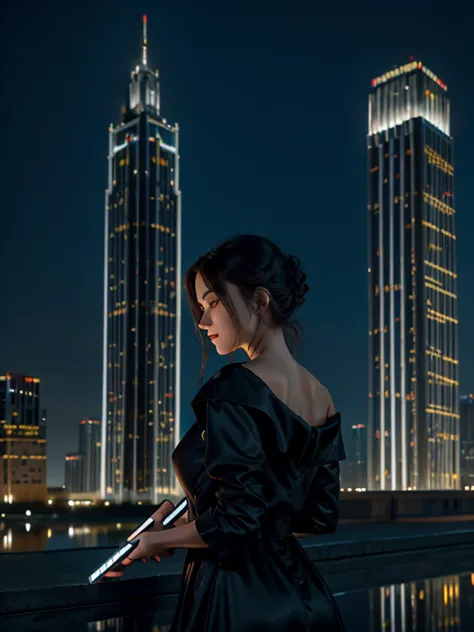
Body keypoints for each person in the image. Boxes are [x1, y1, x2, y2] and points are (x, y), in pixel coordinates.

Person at [109, 234, 347, 631]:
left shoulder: (234, 387)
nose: (203, 323)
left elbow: (238, 520)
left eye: (213, 302)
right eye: (201, 307)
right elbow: (319, 517)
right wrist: (187, 523)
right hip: (308, 599)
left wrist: (157, 541)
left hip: (236, 601)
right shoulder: (321, 396)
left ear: (259, 301)